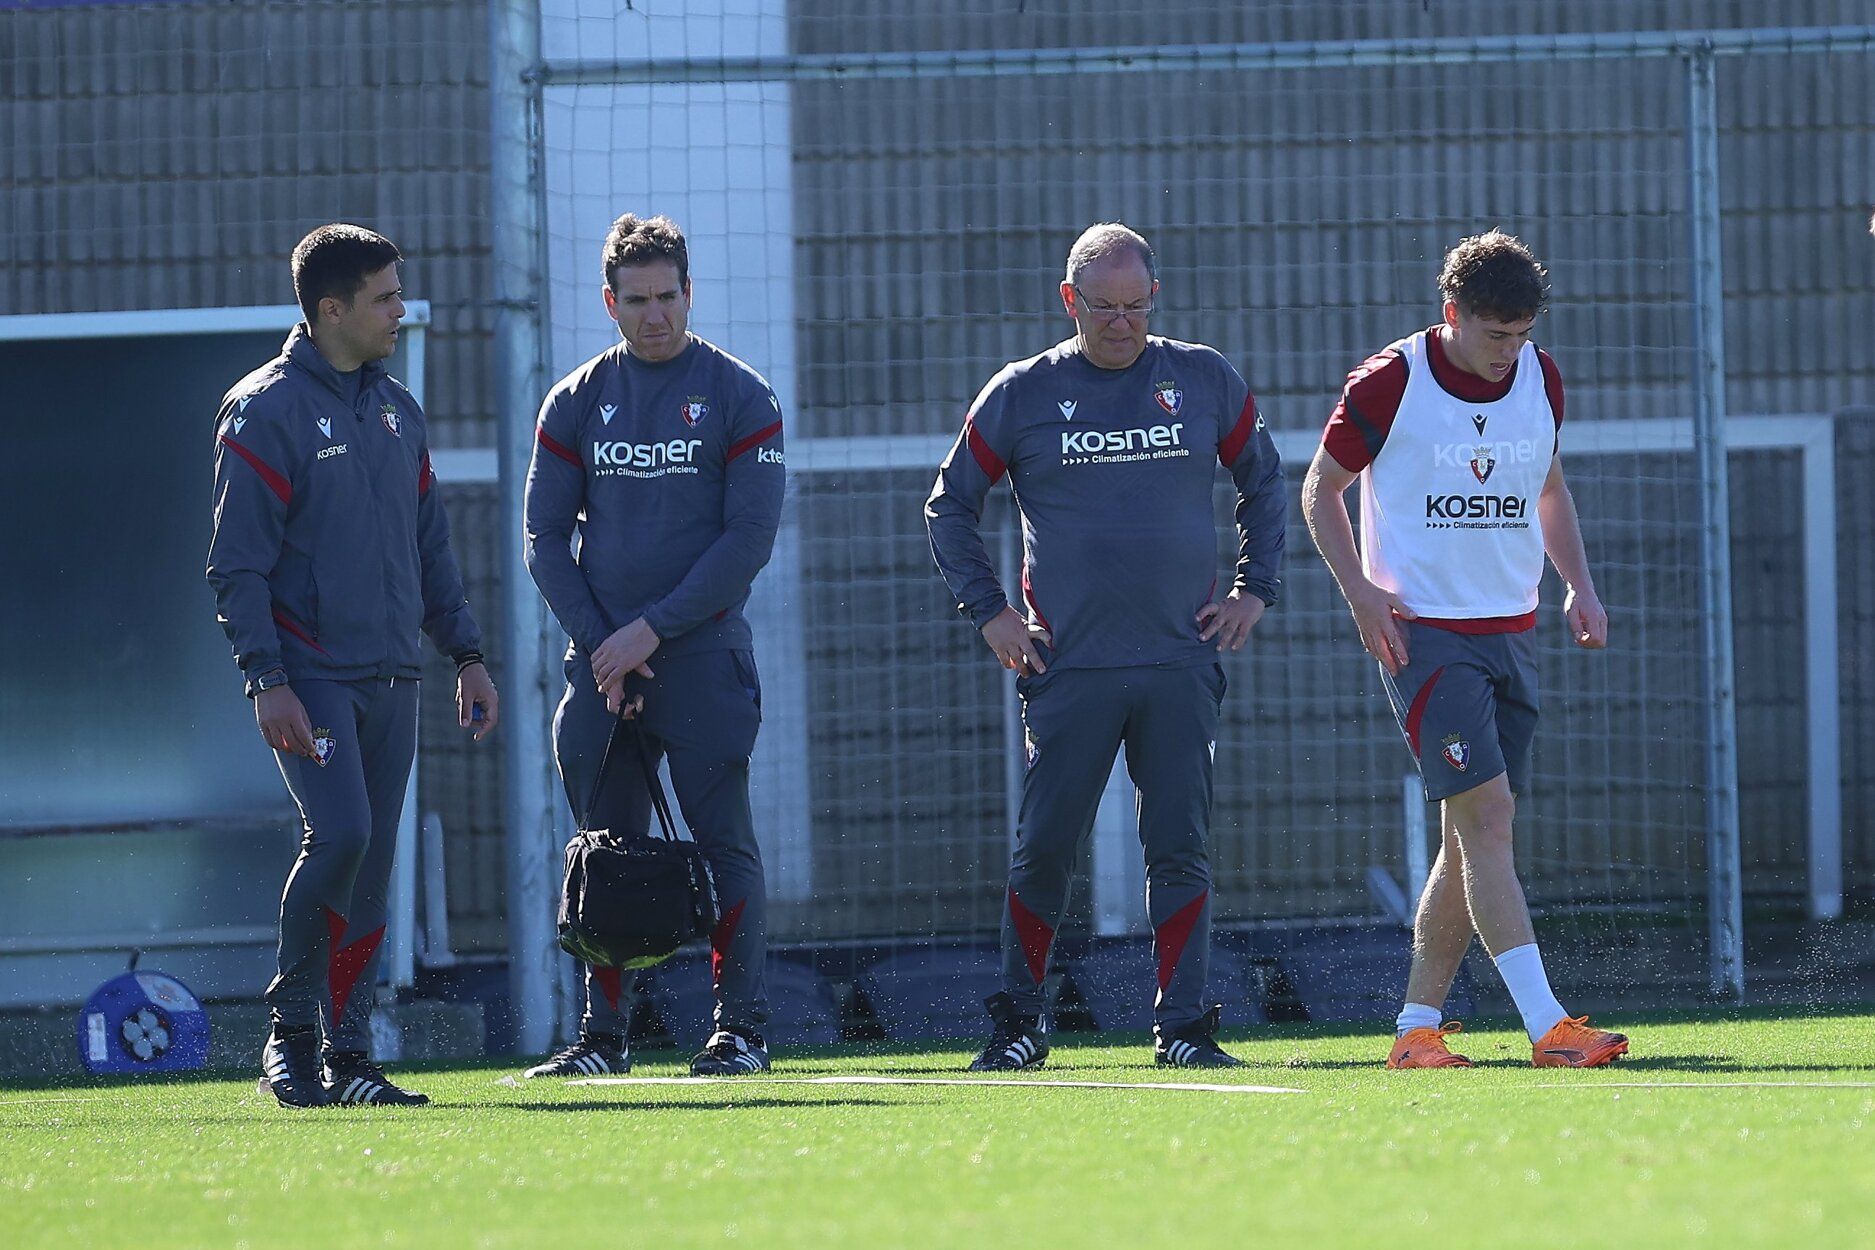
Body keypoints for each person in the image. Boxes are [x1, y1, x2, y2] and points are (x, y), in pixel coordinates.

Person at [926, 223, 1285, 1070]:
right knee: (1043, 847)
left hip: (1177, 663)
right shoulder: (1020, 394)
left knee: (1179, 845)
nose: (1121, 324)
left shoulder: (1203, 379)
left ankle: (1186, 1030)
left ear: (1152, 299)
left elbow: (1263, 485)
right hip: (1067, 667)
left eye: (1135, 307)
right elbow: (948, 507)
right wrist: (990, 614)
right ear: (1068, 301)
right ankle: (1017, 1026)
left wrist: (1252, 590)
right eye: (1102, 308)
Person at [1299, 229, 1629, 1069]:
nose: (1507, 352)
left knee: (1467, 839)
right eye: (1494, 335)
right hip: (1427, 639)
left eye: (1520, 335)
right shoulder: (1390, 381)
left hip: (1510, 631)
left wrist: (1578, 585)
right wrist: (1361, 593)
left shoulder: (1540, 377)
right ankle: (1547, 1027)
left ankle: (1415, 1030)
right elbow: (1319, 488)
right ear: (1451, 314)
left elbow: (1548, 488)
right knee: (1487, 821)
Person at [207, 223, 499, 1108]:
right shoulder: (264, 410)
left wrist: (467, 655)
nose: (399, 311)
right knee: (339, 837)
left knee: (371, 865)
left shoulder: (396, 410)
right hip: (310, 678)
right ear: (330, 309)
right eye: (384, 297)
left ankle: (352, 1057)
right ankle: (289, 1040)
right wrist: (268, 679)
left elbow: (430, 549)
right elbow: (235, 566)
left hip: (395, 675)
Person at [521, 214, 785, 1079]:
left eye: (667, 296)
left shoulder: (742, 395)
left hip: (703, 662)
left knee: (725, 845)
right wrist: (605, 646)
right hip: (600, 674)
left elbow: (746, 541)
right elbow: (544, 540)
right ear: (610, 302)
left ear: (688, 293)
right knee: (606, 852)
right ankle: (604, 1040)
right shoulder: (573, 401)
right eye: (635, 301)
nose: (654, 316)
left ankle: (737, 1032)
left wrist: (651, 630)